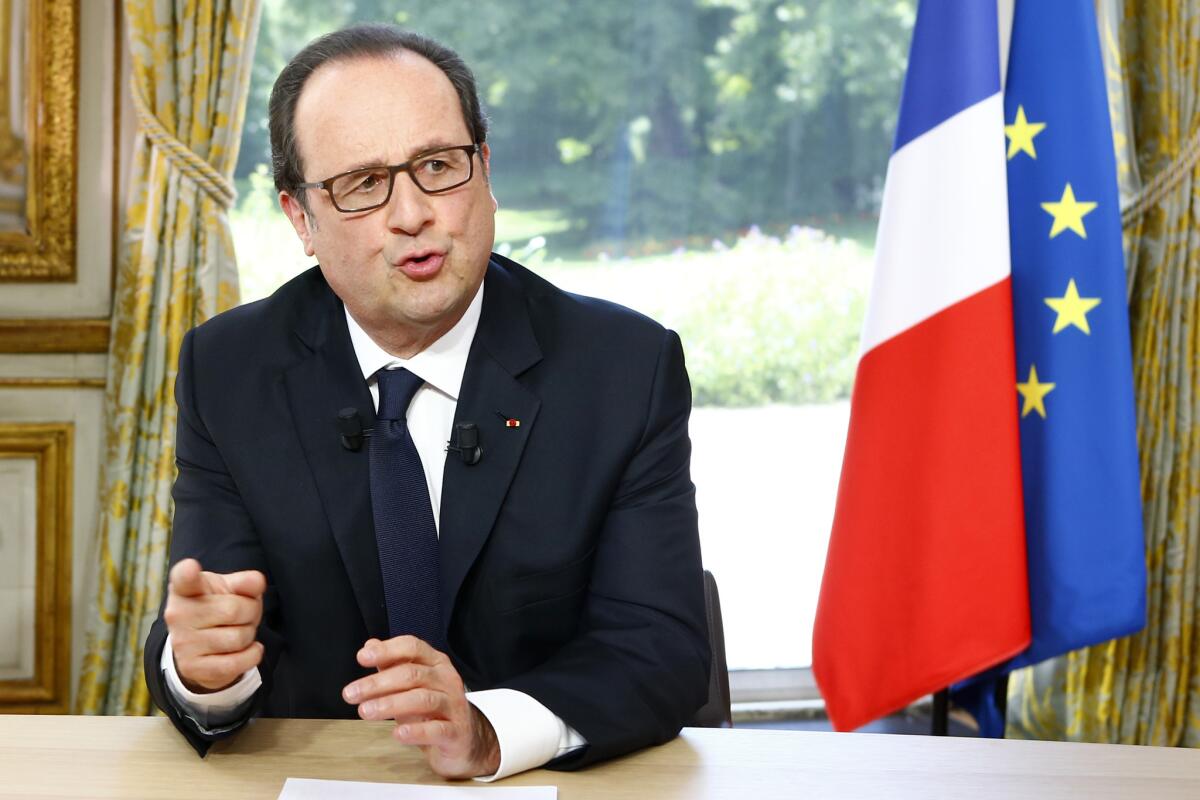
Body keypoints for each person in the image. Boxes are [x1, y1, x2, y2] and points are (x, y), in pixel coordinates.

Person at [142, 23, 710, 781]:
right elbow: (216, 618)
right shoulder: (230, 368)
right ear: (301, 219)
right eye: (364, 184)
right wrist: (206, 670)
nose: (412, 214)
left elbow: (659, 649)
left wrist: (488, 731)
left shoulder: (622, 369)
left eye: (439, 166)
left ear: (485, 173)